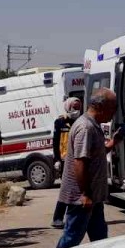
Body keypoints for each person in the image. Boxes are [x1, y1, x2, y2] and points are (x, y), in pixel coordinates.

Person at [55, 88, 123, 248]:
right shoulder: (86, 127)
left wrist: (114, 142)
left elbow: (95, 155)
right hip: (83, 199)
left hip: (94, 197)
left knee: (99, 239)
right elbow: (80, 162)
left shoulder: (93, 125)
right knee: (71, 239)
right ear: (100, 106)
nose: (114, 113)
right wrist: (84, 194)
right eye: (113, 108)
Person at [50, 96, 82, 228]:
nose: (76, 110)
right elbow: (56, 142)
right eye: (74, 107)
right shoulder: (60, 122)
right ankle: (57, 218)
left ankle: (74, 217)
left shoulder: (81, 121)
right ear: (68, 106)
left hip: (77, 158)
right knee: (66, 189)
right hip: (64, 160)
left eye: (78, 107)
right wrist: (56, 159)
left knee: (78, 189)